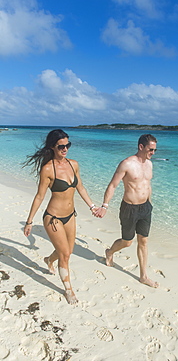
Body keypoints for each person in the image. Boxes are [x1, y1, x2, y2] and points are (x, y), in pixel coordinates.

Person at [23, 129, 98, 304]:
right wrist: (29, 222)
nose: (65, 149)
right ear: (52, 147)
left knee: (68, 250)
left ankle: (49, 259)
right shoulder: (48, 169)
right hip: (53, 218)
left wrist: (93, 207)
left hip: (70, 216)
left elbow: (80, 188)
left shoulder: (74, 164)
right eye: (61, 146)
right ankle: (68, 290)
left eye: (67, 145)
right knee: (65, 254)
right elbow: (39, 196)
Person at [95, 134, 159, 288]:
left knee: (143, 241)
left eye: (155, 150)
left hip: (145, 208)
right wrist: (104, 206)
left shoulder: (149, 164)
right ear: (141, 147)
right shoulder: (126, 164)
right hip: (129, 208)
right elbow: (112, 185)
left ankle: (143, 276)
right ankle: (110, 252)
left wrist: (149, 204)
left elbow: (147, 185)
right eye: (151, 150)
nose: (153, 153)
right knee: (127, 242)